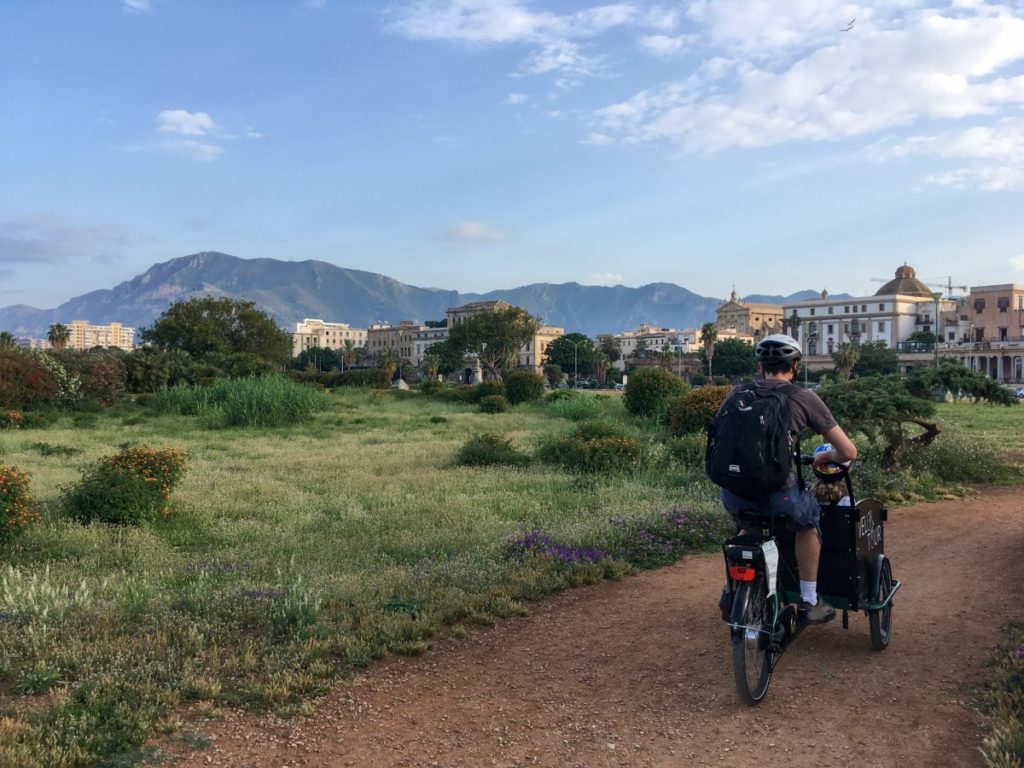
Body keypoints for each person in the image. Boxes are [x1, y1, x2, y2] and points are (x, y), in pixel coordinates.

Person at [719, 333, 857, 624]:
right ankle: (809, 600)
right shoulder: (803, 397)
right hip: (779, 494)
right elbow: (848, 451)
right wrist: (824, 458)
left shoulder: (736, 393)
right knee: (807, 524)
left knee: (750, 523)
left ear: (761, 366)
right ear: (794, 366)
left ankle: (731, 591)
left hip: (732, 491)